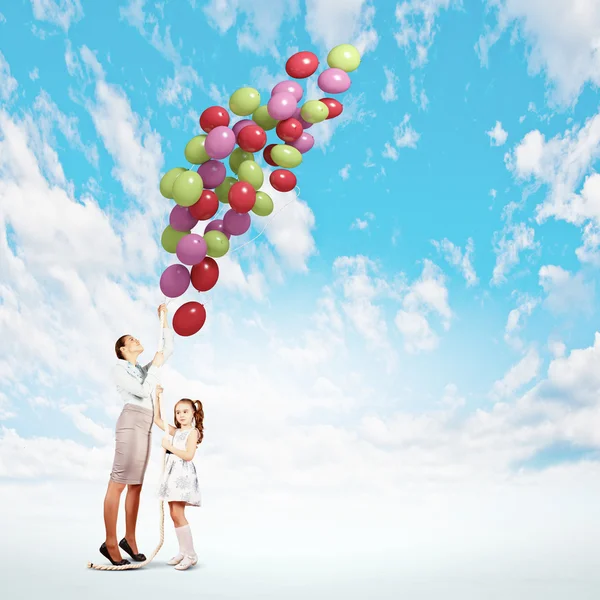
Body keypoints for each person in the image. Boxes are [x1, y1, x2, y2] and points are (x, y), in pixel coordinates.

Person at [99, 303, 174, 566]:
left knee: (136, 485)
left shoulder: (142, 370)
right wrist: (154, 370)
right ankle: (110, 543)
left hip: (146, 424)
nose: (136, 340)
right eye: (131, 340)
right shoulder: (119, 369)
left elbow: (167, 350)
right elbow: (143, 392)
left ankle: (129, 540)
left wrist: (164, 319)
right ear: (123, 349)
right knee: (119, 482)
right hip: (131, 421)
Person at [154, 385, 204, 570]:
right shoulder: (176, 431)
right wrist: (157, 397)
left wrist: (169, 446)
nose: (181, 415)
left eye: (185, 411)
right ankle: (183, 551)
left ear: (193, 414)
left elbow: (188, 455)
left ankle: (191, 554)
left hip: (182, 475)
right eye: (177, 412)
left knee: (179, 514)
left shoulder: (192, 433)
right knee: (174, 514)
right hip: (172, 474)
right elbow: (157, 420)